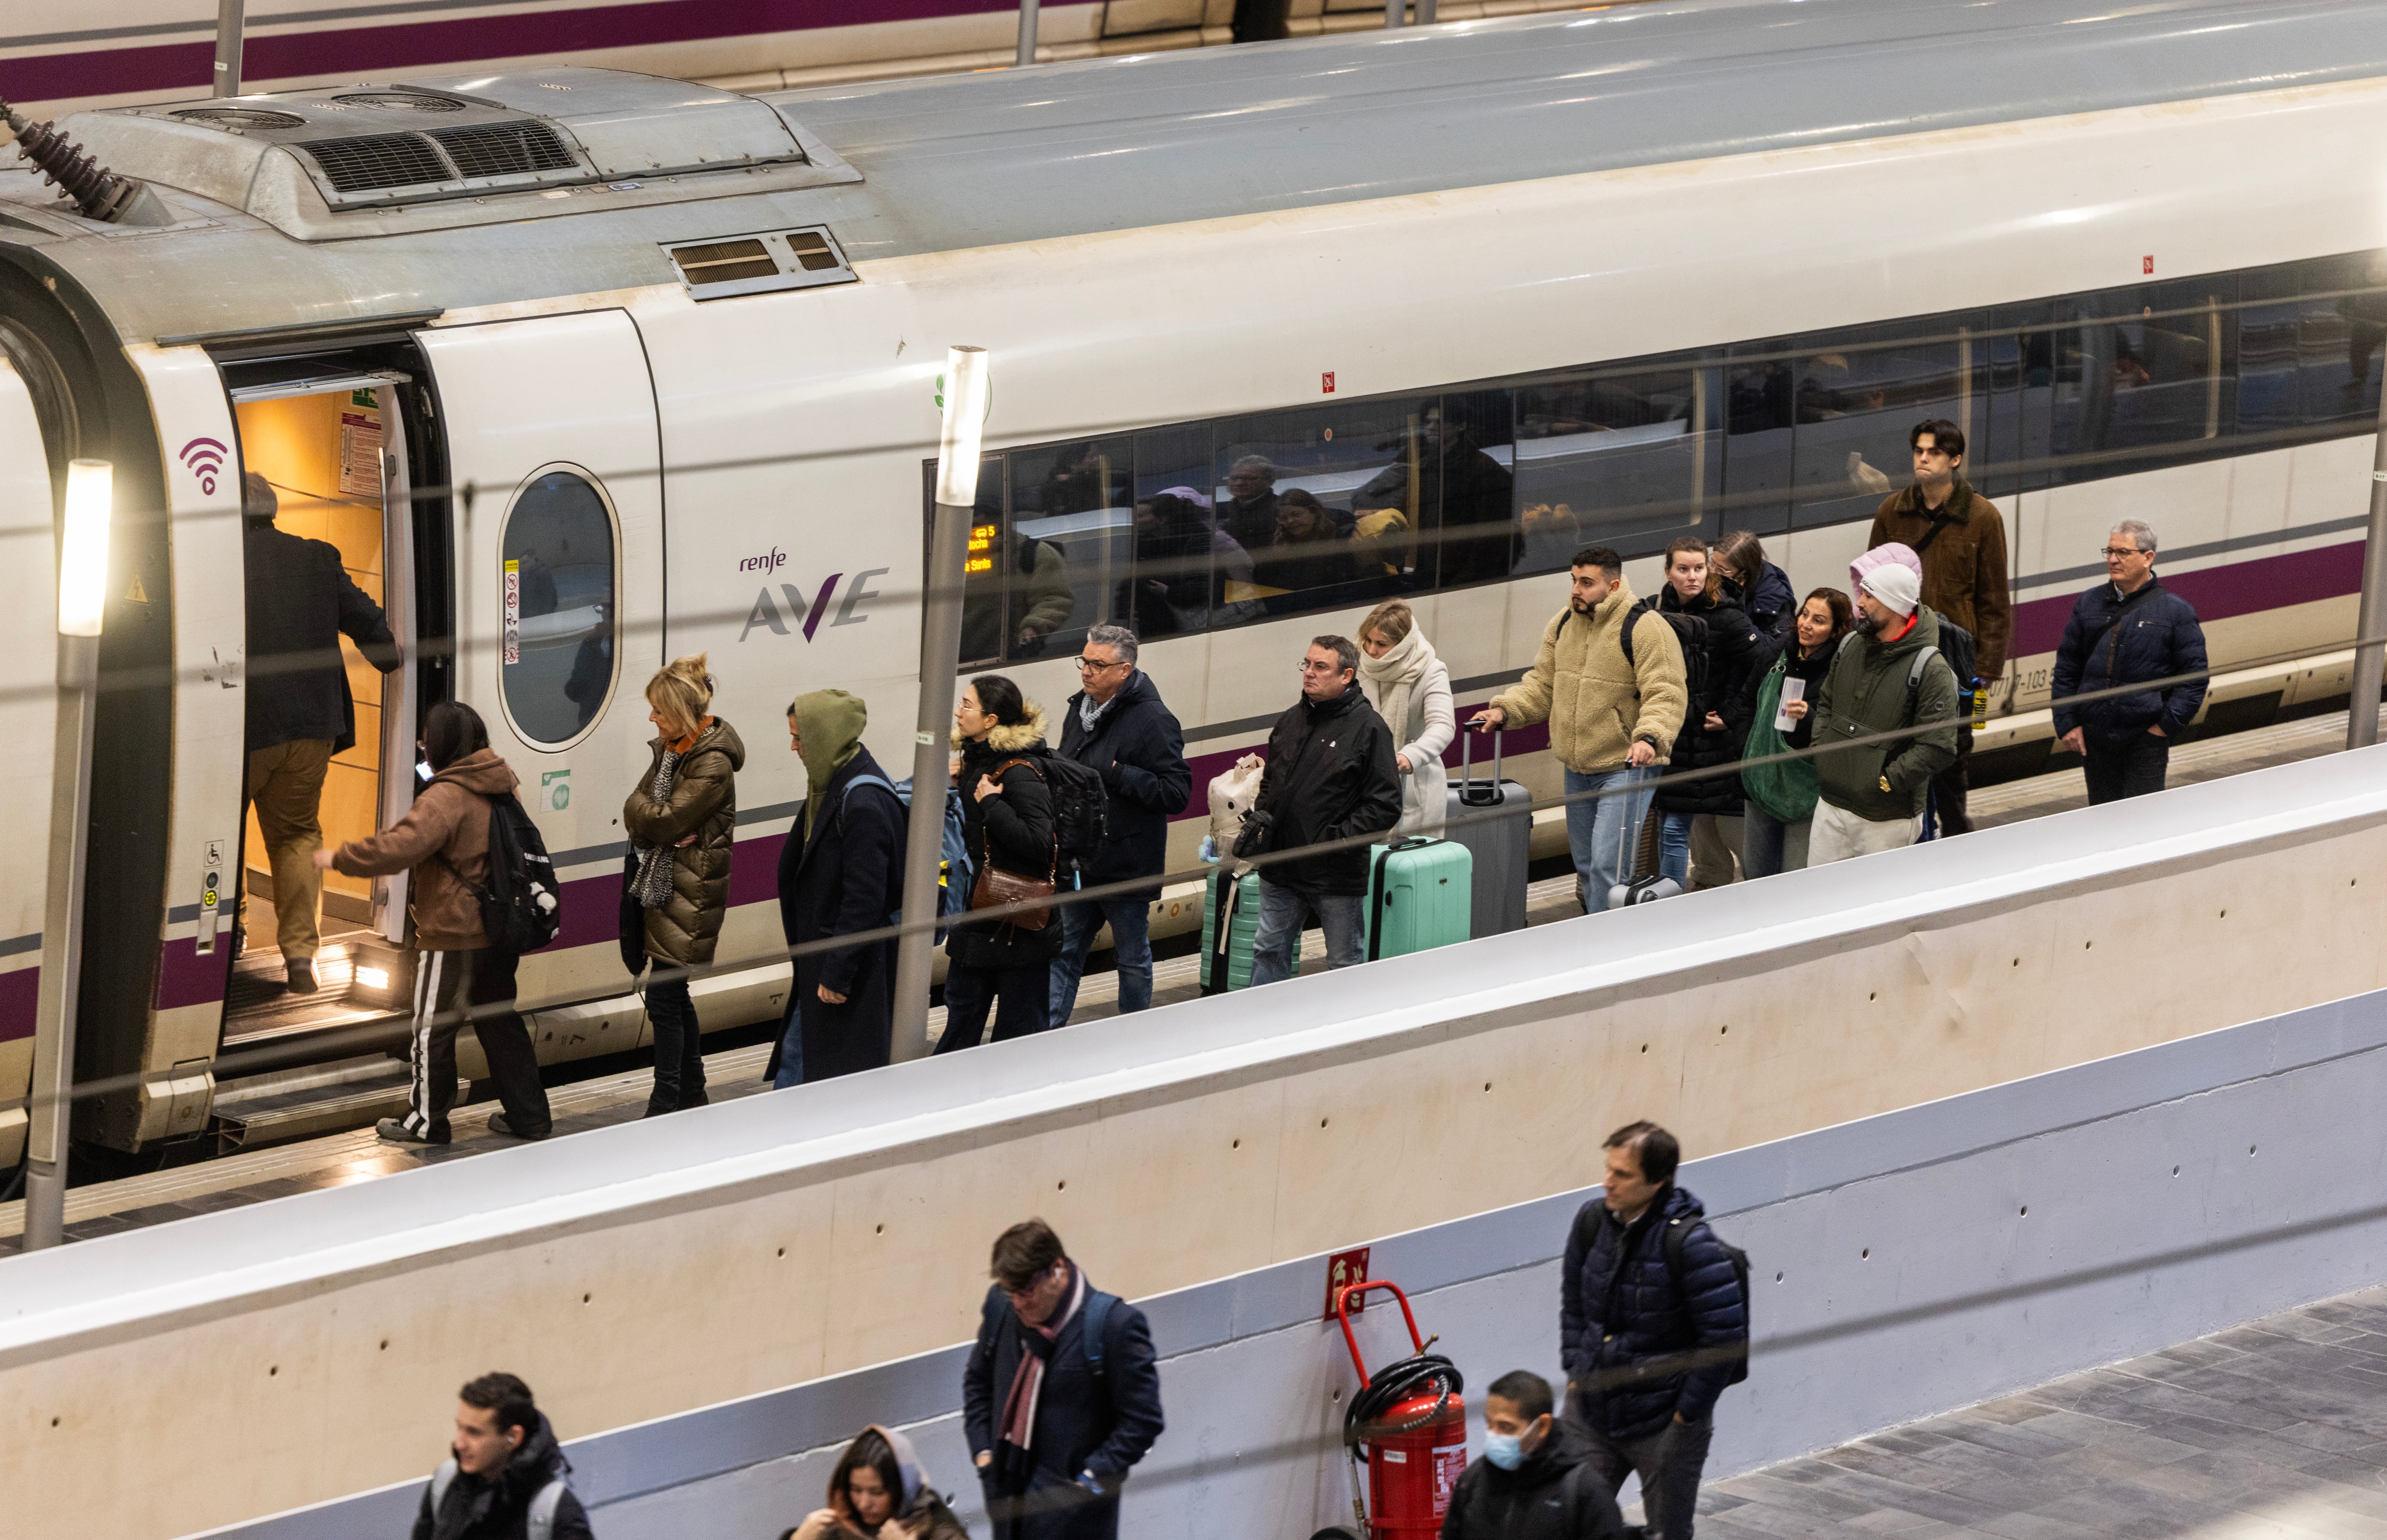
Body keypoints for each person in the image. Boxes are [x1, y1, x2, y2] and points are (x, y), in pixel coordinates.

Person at [319, 701, 551, 1146]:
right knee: (501, 1025)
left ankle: (426, 1121)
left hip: (453, 933)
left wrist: (339, 857)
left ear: (443, 744)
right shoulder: (503, 783)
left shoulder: (446, 796)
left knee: (431, 1030)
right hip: (498, 929)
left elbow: (399, 849)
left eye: (427, 739)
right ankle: (530, 1116)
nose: (424, 747)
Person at [243, 470, 401, 993]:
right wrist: (388, 658)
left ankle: (228, 938)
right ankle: (298, 961)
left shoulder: (220, 562)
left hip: (241, 730)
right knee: (295, 836)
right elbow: (369, 625)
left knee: (215, 835)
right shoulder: (316, 557)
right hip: (311, 726)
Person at [1559, 1123, 1747, 1540]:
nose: (1608, 1182)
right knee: (1568, 1524)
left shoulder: (1692, 1244)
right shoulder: (1592, 1220)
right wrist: (1575, 1370)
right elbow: (1574, 1303)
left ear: (1659, 1181)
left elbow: (1724, 1338)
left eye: (1623, 1175)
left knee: (1668, 1534)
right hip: (1591, 1410)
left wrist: (1687, 1415)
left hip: (1664, 1422)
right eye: (1608, 1169)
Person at [1475, 547, 1686, 912]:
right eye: (1574, 580)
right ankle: (1596, 936)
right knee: (1587, 868)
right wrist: (1506, 710)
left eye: (1587, 583)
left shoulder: (1647, 628)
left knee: (1610, 868)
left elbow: (1665, 692)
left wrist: (1649, 736)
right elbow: (1543, 685)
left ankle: (1608, 952)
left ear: (1614, 585)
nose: (1576, 590)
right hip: (1578, 767)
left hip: (1625, 767)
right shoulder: (1563, 624)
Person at [964, 1219, 1164, 1540]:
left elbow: (1142, 1423)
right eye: (1010, 1291)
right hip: (1007, 1510)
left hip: (1076, 1523)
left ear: (1057, 1270)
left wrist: (1087, 1483)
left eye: (1026, 1291)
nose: (1018, 1303)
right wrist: (984, 1456)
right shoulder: (1002, 1308)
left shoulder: (1114, 1327)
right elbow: (978, 1382)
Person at [1867, 419, 2010, 836]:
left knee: (1951, 753)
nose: (1923, 459)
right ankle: (1915, 833)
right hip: (1899, 653)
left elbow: (1994, 600)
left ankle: (1955, 834)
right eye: (1918, 451)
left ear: (1955, 459)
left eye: (1933, 452)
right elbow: (1870, 582)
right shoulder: (1892, 511)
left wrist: (1985, 669)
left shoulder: (1983, 517)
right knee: (1901, 748)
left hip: (1957, 661)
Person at [622, 654, 743, 1116]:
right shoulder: (675, 750)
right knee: (674, 994)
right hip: (671, 882)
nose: (652, 718)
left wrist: (656, 822)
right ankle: (691, 1090)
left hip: (692, 890)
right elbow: (642, 812)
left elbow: (663, 819)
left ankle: (666, 1099)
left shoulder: (711, 763)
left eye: (659, 710)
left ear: (683, 713)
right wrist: (654, 822)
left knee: (665, 997)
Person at [1242, 636, 1402, 985]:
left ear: (1346, 675)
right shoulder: (1290, 721)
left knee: (1343, 962)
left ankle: (1343, 1036)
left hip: (1335, 872)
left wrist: (1334, 841)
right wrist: (1265, 817)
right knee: (1268, 950)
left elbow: (1385, 804)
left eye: (1320, 667)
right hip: (1281, 865)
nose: (1309, 674)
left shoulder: (1369, 729)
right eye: (1307, 664)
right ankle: (1261, 1027)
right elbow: (1270, 781)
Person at [1049, 627, 1190, 1025]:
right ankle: (1045, 1036)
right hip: (1081, 862)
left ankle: (1133, 1032)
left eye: (1098, 664)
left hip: (1126, 864)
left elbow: (1176, 792)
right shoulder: (1081, 709)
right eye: (1084, 661)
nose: (1086, 672)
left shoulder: (1154, 719)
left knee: (1131, 958)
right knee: (1063, 952)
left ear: (1125, 670)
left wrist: (1116, 772)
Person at [770, 689, 904, 1089]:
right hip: (823, 961)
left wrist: (837, 974)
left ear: (825, 737)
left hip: (845, 970)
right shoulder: (831, 785)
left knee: (809, 1071)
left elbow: (865, 899)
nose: (793, 747)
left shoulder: (861, 802)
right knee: (803, 1064)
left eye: (800, 738)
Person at [1806, 553, 1960, 865]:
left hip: (1886, 818)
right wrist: (1823, 751)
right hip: (1831, 804)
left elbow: (1939, 745)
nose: (1859, 603)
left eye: (1869, 596)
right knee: (1818, 900)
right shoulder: (1850, 646)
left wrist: (1888, 780)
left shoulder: (1931, 669)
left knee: (1880, 906)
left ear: (1894, 606)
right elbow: (1826, 704)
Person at [935, 676, 1059, 1052]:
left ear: (990, 721)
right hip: (979, 922)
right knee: (960, 1026)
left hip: (1017, 928)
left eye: (967, 706)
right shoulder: (973, 764)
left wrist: (992, 804)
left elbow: (1040, 844)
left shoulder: (1019, 773)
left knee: (1017, 1038)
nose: (958, 712)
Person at [2050, 520, 2209, 804]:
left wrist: (2163, 729)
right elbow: (2067, 669)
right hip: (2095, 737)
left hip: (2145, 738)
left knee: (2142, 821)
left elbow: (2194, 679)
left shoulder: (2176, 612)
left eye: (2123, 553)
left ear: (2148, 557)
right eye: (2109, 551)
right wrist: (2066, 723)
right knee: (2103, 819)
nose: (2113, 560)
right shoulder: (2088, 604)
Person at [1651, 538, 1760, 892]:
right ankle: (1676, 897)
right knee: (1673, 824)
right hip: (1670, 734)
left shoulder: (1726, 616)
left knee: (1681, 827)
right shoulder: (1654, 613)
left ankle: (1676, 901)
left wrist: (1733, 713)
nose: (1692, 577)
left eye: (1700, 568)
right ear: (1668, 572)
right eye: (1683, 569)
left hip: (1706, 740)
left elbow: (1766, 663)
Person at [1739, 588, 1852, 877]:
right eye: (1805, 614)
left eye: (1819, 620)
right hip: (1762, 780)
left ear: (1837, 630)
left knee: (1795, 875)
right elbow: (1747, 704)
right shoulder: (1777, 653)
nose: (1807, 624)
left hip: (1805, 789)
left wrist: (1808, 717)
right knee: (1755, 874)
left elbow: (1838, 732)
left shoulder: (1841, 670)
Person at [1440, 1370, 1631, 1540]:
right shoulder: (1473, 1480)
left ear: (1542, 1427)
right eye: (1490, 1424)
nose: (1493, 1435)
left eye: (1506, 1427)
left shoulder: (1584, 1492)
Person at [411, 1372, 594, 1540]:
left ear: (513, 1438)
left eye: (474, 1433)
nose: (459, 1444)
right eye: (460, 1427)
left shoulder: (557, 1513)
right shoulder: (445, 1484)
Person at [1359, 403, 1517, 587]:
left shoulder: (1482, 470)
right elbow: (1389, 504)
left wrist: (1466, 582)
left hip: (1456, 578)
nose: (1431, 427)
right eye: (1429, 421)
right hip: (1424, 570)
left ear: (1461, 426)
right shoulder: (1421, 463)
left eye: (1440, 422)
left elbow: (1491, 537)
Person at [1356, 600, 1454, 837]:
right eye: (1368, 640)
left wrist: (1410, 756)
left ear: (1403, 644)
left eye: (1381, 644)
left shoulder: (1431, 670)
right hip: (1361, 777)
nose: (1371, 650)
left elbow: (1443, 725)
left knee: (1411, 864)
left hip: (1414, 782)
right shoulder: (1357, 665)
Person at [781, 1425, 968, 1540]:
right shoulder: (838, 1529)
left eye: (877, 1492)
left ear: (901, 1490)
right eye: (855, 1490)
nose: (863, 1504)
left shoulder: (936, 1527)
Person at [1255, 488, 1363, 613]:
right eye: (1283, 518)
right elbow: (1265, 587)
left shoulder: (1341, 537)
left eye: (1296, 515)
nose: (1290, 522)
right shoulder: (1283, 542)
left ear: (1314, 512)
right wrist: (1276, 556)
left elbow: (1349, 585)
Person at [1709, 530, 1796, 646]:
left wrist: (1736, 606)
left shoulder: (1774, 602)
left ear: (1743, 575)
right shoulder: (1711, 577)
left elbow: (1778, 648)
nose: (1713, 572)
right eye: (1712, 563)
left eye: (1721, 570)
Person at [1220, 454, 1281, 555]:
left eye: (1248, 478)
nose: (1239, 483)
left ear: (1269, 481)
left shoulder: (1280, 508)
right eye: (1234, 478)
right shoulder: (1227, 510)